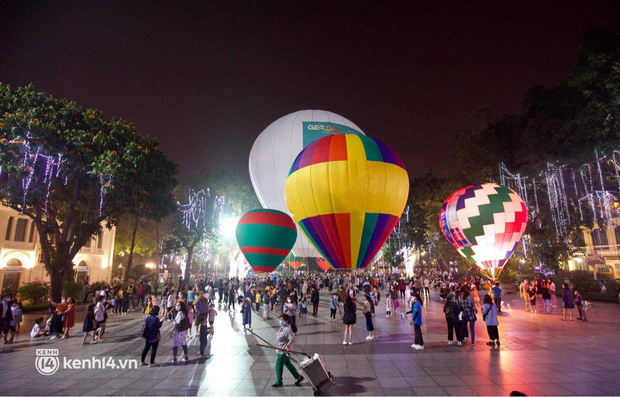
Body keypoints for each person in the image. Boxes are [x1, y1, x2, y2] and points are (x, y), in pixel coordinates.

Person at [271, 314, 304, 388]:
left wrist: (287, 346)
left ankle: (279, 381)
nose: (281, 321)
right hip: (280, 349)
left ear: (287, 320)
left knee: (278, 365)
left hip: (283, 351)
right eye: (280, 320)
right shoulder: (282, 327)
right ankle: (298, 377)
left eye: (282, 320)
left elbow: (292, 338)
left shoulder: (288, 329)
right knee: (288, 364)